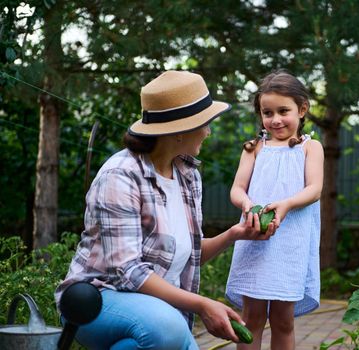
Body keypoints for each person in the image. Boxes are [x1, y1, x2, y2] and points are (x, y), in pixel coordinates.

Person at [55, 70, 277, 350]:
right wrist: (202, 305)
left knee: (153, 338)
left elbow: (185, 255)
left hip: (157, 312)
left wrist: (234, 234)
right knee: (168, 328)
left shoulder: (187, 174)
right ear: (180, 131)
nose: (208, 132)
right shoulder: (120, 176)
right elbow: (128, 271)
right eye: (205, 124)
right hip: (97, 301)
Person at [225, 69, 324, 349]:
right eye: (267, 113)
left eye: (284, 111)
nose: (276, 119)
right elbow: (236, 189)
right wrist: (246, 204)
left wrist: (287, 204)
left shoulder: (310, 148)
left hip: (289, 244)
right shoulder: (254, 148)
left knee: (283, 320)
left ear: (302, 109)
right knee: (251, 318)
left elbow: (314, 189)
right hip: (255, 240)